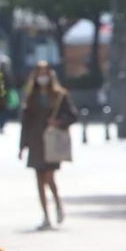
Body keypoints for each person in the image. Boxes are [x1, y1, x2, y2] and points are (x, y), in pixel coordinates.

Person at [18, 61, 77, 230]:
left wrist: (58, 122)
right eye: (39, 73)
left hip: (52, 141)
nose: (42, 76)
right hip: (36, 141)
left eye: (45, 73)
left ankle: (57, 203)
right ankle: (45, 215)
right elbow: (25, 123)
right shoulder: (30, 96)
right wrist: (22, 146)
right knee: (39, 179)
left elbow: (73, 115)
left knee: (50, 177)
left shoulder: (60, 94)